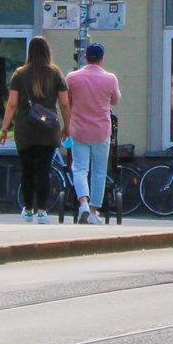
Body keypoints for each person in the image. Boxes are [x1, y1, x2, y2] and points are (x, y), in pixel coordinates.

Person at [0, 36, 71, 224]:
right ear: (47, 51)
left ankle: (28, 209)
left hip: (25, 127)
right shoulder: (56, 73)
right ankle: (42, 211)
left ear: (29, 52)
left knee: (27, 169)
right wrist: (67, 126)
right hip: (48, 127)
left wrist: (5, 129)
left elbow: (12, 103)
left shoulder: (19, 74)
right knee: (44, 169)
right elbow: (64, 103)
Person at [65, 43, 121, 223]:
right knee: (99, 171)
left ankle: (83, 203)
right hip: (100, 131)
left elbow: (68, 101)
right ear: (102, 58)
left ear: (86, 57)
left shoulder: (72, 78)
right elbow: (115, 100)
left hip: (79, 129)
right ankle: (95, 210)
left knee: (80, 168)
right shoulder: (110, 79)